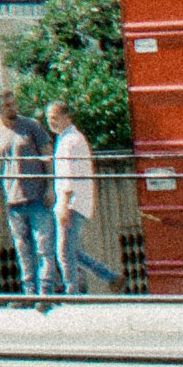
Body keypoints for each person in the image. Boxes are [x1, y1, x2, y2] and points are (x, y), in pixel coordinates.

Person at [0, 96, 56, 300]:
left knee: (44, 247)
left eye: (14, 103)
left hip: (38, 197)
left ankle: (46, 292)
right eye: (7, 106)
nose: (12, 108)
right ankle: (29, 292)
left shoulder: (31, 126)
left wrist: (50, 187)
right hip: (13, 200)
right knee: (23, 249)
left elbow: (47, 156)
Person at [50, 103, 121, 295]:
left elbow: (68, 174)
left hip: (71, 203)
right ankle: (109, 276)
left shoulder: (69, 141)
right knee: (72, 251)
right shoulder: (68, 139)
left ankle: (72, 291)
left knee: (64, 252)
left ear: (67, 117)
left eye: (55, 117)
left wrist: (64, 204)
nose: (51, 121)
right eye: (49, 118)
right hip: (76, 202)